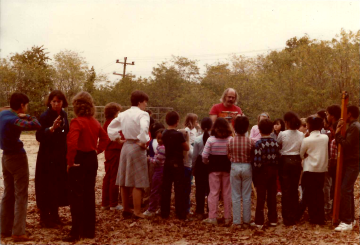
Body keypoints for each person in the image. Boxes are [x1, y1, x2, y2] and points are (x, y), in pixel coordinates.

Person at [65, 92, 109, 242]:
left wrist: (70, 161)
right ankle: (89, 230)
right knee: (89, 194)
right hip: (91, 158)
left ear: (76, 106)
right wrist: (98, 150)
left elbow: (72, 143)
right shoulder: (95, 122)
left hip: (79, 158)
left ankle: (75, 232)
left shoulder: (77, 122)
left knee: (76, 195)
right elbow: (105, 138)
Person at [0, 93, 41, 242]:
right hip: (17, 157)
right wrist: (28, 116)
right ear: (22, 105)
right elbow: (36, 125)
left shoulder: (3, 115)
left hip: (5, 157)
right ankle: (18, 231)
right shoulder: (15, 120)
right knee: (21, 195)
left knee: (8, 193)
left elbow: (4, 110)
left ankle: (4, 229)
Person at [107, 90, 150, 219]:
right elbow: (144, 129)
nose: (146, 105)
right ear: (140, 102)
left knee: (125, 180)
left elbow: (111, 127)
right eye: (145, 102)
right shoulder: (143, 115)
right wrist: (143, 141)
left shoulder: (123, 114)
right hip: (137, 146)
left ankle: (126, 209)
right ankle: (137, 211)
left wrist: (116, 139)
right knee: (138, 181)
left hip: (126, 147)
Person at [35, 90, 69, 228]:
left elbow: (67, 132)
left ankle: (55, 216)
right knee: (45, 186)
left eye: (58, 101)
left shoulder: (64, 115)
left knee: (57, 185)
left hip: (60, 156)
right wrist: (51, 129)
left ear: (62, 102)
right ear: (49, 102)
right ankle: (44, 218)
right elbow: (38, 136)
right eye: (53, 101)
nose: (56, 104)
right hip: (46, 156)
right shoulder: (44, 116)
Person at [202, 118, 232, 226]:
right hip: (227, 168)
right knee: (227, 193)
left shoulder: (211, 140)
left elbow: (204, 155)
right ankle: (227, 217)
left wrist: (207, 162)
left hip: (213, 169)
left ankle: (212, 217)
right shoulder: (230, 139)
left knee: (213, 193)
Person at [298, 116, 328, 225]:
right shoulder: (325, 138)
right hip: (321, 170)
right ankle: (319, 217)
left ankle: (302, 215)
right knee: (319, 194)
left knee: (307, 194)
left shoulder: (306, 140)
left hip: (309, 169)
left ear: (309, 126)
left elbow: (301, 154)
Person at [334, 105, 360, 231]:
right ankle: (351, 219)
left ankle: (347, 221)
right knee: (347, 190)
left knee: (345, 190)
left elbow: (347, 145)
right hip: (352, 162)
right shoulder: (353, 127)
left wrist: (338, 134)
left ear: (349, 114)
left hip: (353, 163)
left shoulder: (355, 127)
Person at [161, 111, 189, 220]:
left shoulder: (164, 133)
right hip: (177, 161)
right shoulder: (178, 134)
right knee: (179, 188)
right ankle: (180, 212)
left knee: (166, 188)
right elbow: (186, 147)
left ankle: (164, 212)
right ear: (177, 121)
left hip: (167, 161)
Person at [277, 111, 304, 226]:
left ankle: (286, 217)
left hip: (285, 161)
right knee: (294, 189)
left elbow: (278, 145)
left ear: (286, 122)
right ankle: (294, 215)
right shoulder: (301, 135)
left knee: (286, 190)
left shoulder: (282, 134)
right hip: (296, 161)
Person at [252, 119, 280, 228]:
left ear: (259, 130)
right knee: (272, 196)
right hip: (273, 171)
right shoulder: (275, 142)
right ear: (272, 129)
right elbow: (278, 157)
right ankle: (273, 219)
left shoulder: (259, 143)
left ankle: (259, 221)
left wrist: (256, 172)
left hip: (262, 172)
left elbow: (257, 161)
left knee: (261, 197)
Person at [228, 116, 253, 228]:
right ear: (247, 127)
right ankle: (247, 220)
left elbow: (228, 154)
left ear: (234, 127)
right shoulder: (250, 141)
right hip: (247, 166)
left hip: (234, 166)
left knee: (236, 195)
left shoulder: (231, 141)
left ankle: (237, 221)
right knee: (247, 195)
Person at [101, 102, 124, 211]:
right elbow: (120, 138)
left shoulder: (106, 123)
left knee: (108, 176)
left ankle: (105, 202)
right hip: (115, 150)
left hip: (109, 151)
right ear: (115, 113)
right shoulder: (114, 124)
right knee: (114, 177)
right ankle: (113, 203)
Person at [192, 117, 213, 220]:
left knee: (199, 189)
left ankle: (199, 211)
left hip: (200, 164)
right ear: (211, 126)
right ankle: (210, 211)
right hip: (210, 163)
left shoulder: (197, 139)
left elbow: (194, 156)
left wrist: (193, 167)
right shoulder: (213, 138)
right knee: (210, 189)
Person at [143, 128, 165, 217]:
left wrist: (149, 159)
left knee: (155, 189)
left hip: (159, 170)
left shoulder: (163, 148)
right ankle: (159, 207)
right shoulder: (160, 146)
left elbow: (158, 161)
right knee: (159, 190)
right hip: (159, 169)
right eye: (157, 138)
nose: (159, 140)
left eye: (161, 138)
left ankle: (151, 209)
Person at [178, 129, 192, 215]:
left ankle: (180, 208)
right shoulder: (190, 148)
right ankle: (186, 209)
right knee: (187, 190)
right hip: (187, 169)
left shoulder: (177, 147)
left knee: (179, 189)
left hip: (180, 169)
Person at [270, 118, 285, 196]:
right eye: (274, 124)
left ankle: (282, 189)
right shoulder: (271, 135)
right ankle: (277, 189)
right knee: (276, 174)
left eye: (278, 124)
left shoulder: (284, 134)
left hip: (283, 156)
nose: (275, 126)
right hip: (274, 157)